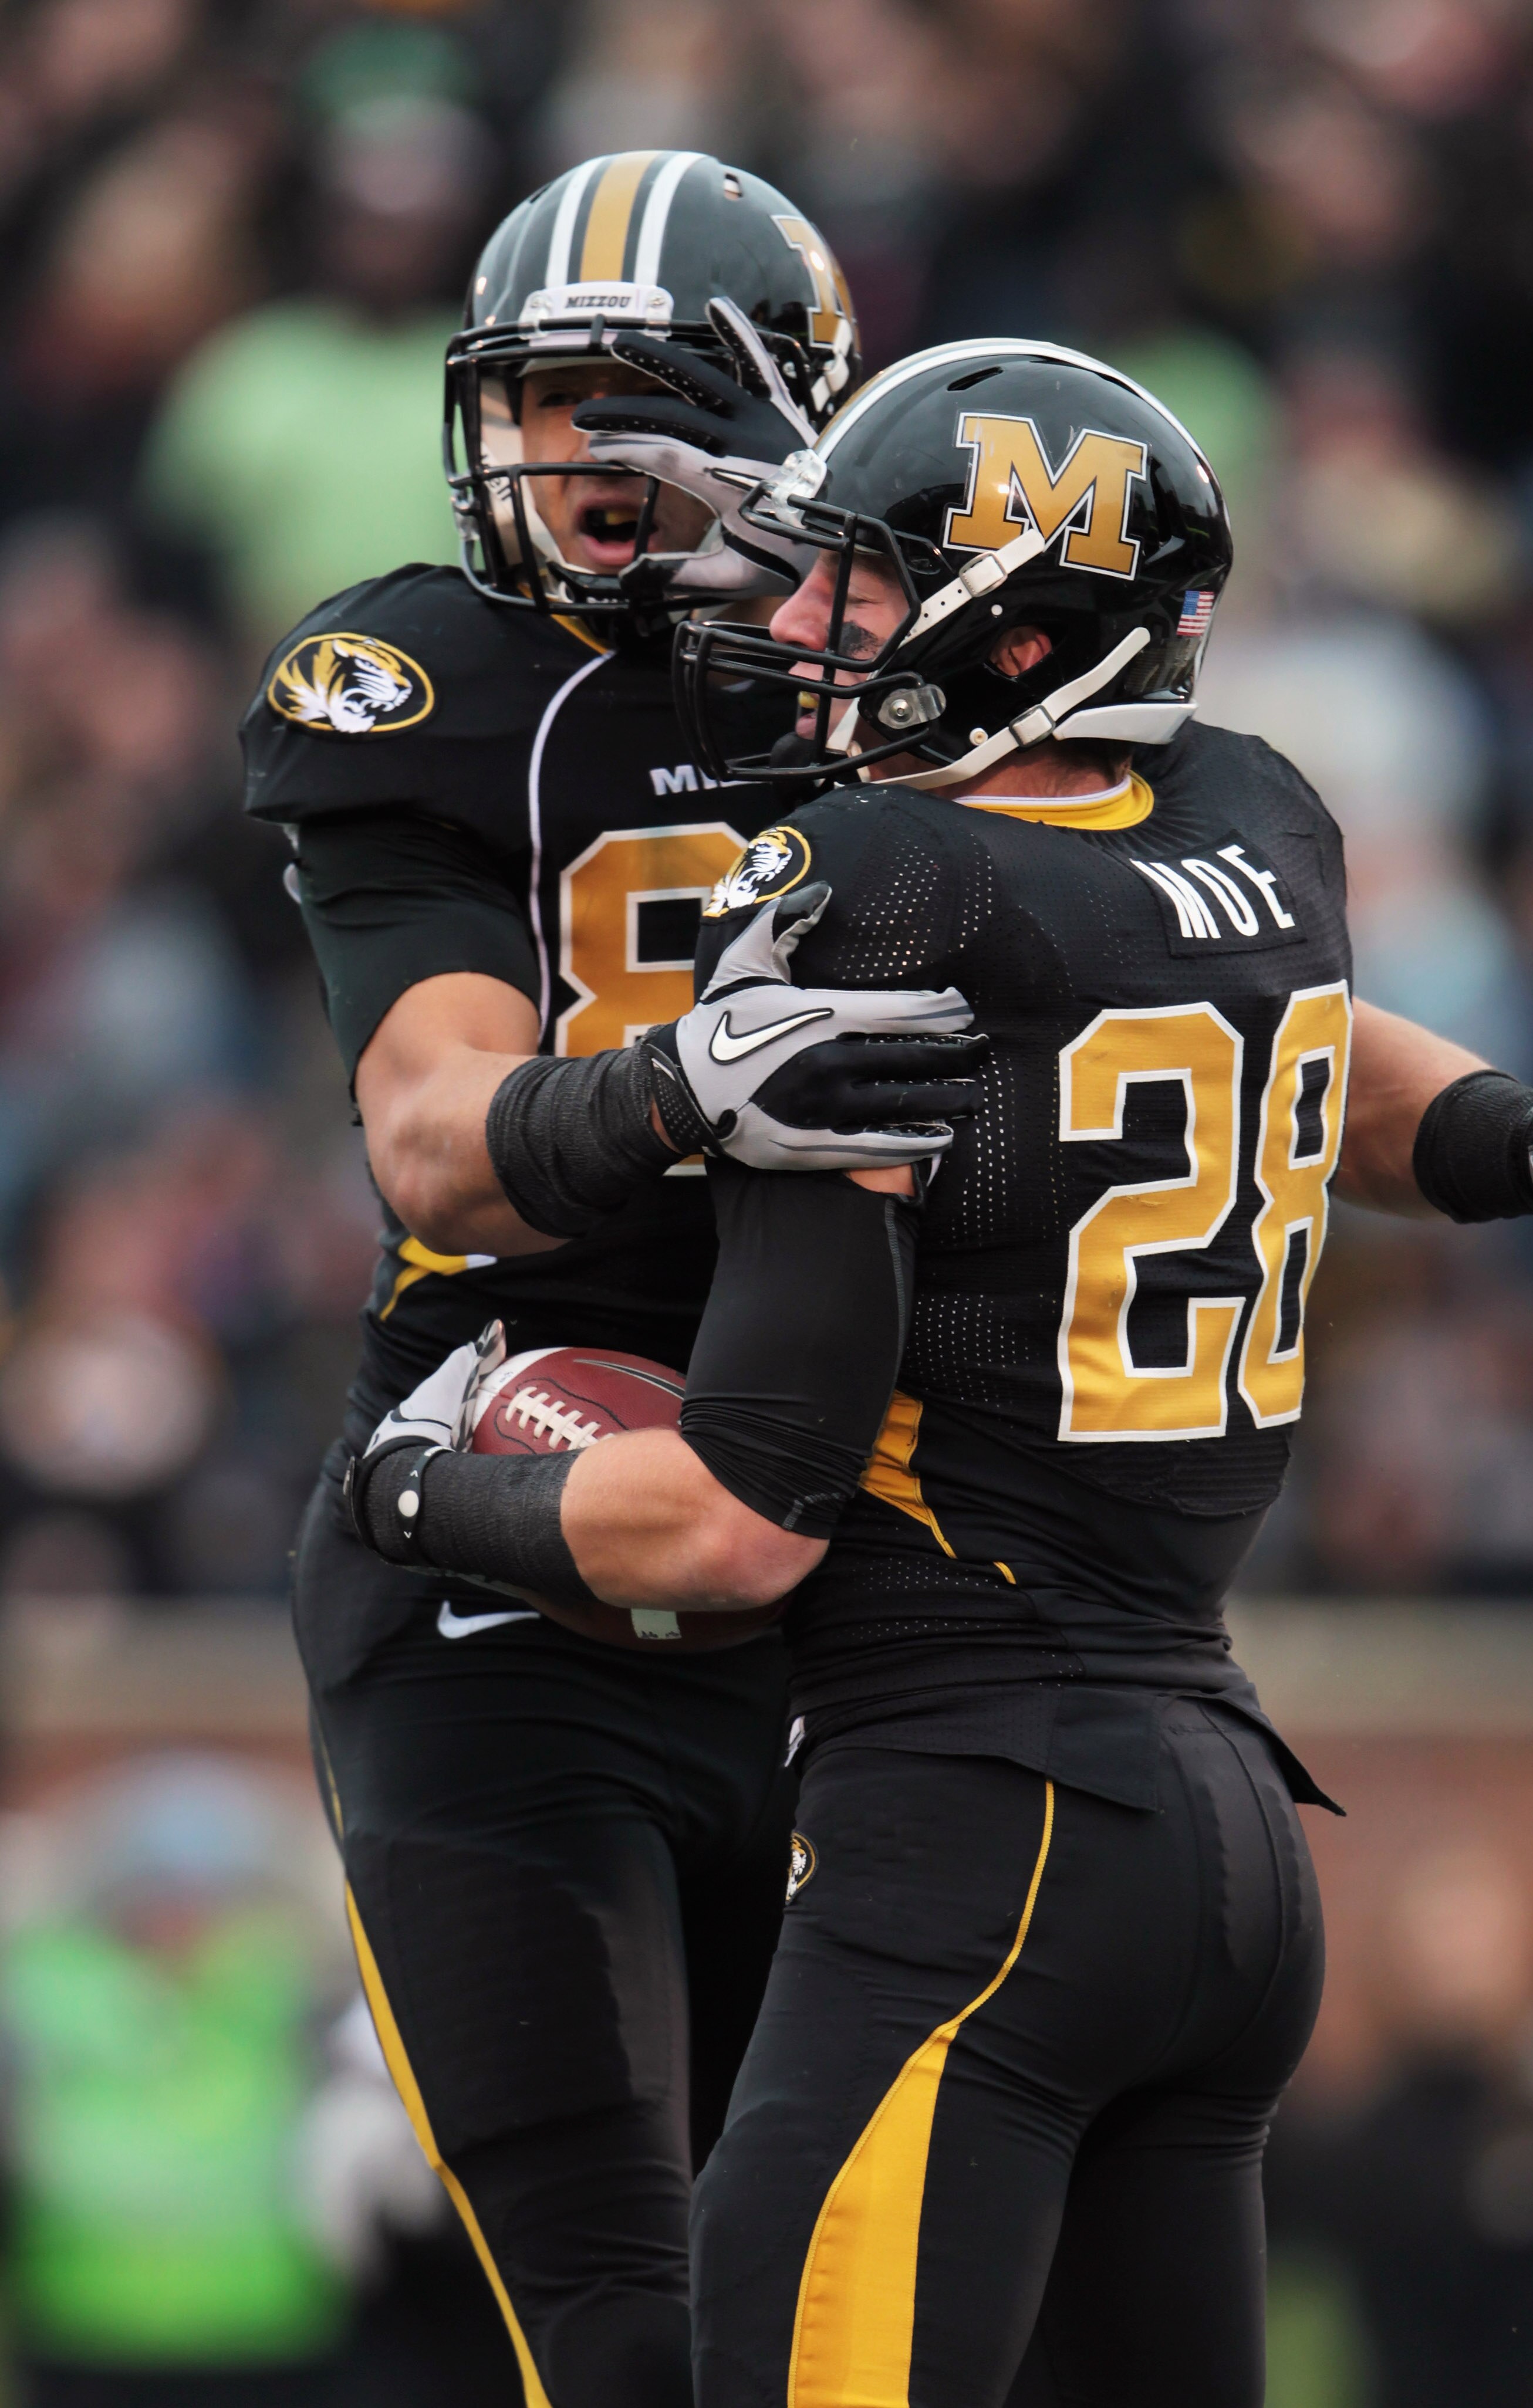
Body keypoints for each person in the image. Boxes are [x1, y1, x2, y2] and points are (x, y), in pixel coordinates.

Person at [344, 338, 1533, 2408]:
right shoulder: (1257, 816)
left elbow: (732, 1526)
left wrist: (420, 1486)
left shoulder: (887, 878)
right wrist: (1519, 1142)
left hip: (978, 1843)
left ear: (1022, 623)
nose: (799, 625)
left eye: (860, 590)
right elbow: (1306, 1069)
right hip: (1225, 1837)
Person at [239, 151, 988, 2408]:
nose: (558, 457)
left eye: (622, 398)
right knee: (626, 2324)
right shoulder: (424, 683)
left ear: (777, 413)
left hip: (853, 1539)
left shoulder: (924, 658)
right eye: (532, 402)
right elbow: (431, 1132)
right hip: (512, 1521)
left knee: (866, 2320)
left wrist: (1476, 1138)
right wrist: (688, 1085)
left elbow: (1199, 972)